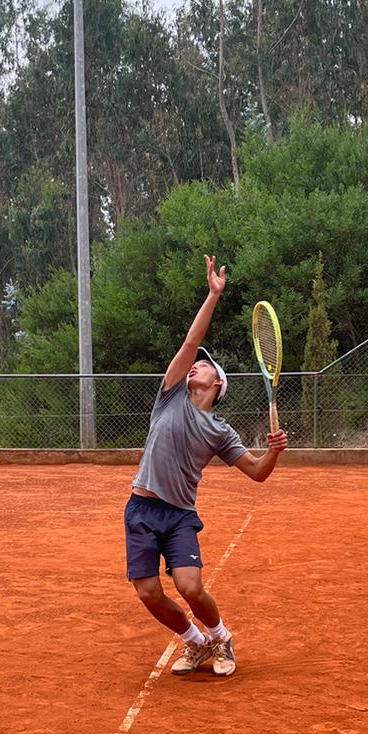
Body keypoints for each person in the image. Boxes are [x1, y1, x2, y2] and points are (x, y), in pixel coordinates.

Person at [126, 254, 288, 678]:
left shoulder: (219, 431)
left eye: (204, 365)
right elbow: (188, 343)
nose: (195, 364)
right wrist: (213, 295)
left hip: (178, 516)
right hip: (140, 509)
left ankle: (221, 636)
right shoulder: (170, 396)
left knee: (189, 586)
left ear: (217, 384)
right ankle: (195, 643)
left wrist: (273, 451)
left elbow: (256, 472)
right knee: (147, 592)